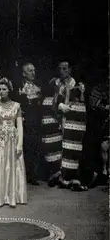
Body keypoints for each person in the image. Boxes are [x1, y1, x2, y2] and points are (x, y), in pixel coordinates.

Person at [0, 78, 27, 207]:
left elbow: (20, 126)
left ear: (9, 90)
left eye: (4, 89)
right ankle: (0, 197)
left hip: (13, 138)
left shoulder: (17, 106)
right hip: (0, 138)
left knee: (13, 166)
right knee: (1, 165)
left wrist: (20, 144)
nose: (1, 91)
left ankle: (13, 196)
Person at [51, 62, 88, 191]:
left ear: (70, 70)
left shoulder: (77, 85)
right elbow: (54, 103)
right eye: (60, 69)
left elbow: (82, 102)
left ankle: (76, 178)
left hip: (75, 121)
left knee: (75, 148)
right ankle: (65, 177)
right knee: (64, 148)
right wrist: (60, 106)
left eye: (65, 69)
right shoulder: (56, 84)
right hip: (62, 120)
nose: (62, 71)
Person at [15, 63, 43, 185]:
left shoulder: (38, 87)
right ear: (23, 73)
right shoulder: (19, 88)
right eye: (29, 71)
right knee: (23, 147)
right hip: (23, 121)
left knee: (34, 147)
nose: (33, 73)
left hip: (35, 121)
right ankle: (22, 175)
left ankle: (33, 174)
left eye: (34, 70)